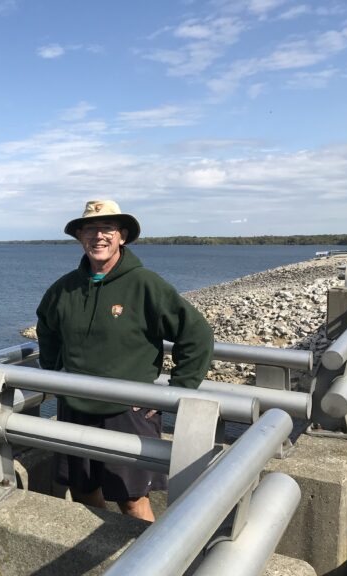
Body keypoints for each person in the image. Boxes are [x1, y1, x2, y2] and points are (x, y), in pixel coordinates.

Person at [35, 199, 214, 521]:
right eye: (90, 229)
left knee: (132, 500)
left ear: (122, 237)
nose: (98, 236)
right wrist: (54, 375)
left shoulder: (146, 284)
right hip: (75, 407)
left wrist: (176, 390)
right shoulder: (64, 288)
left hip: (128, 412)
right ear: (80, 237)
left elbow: (197, 335)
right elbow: (46, 329)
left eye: (107, 229)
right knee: (83, 491)